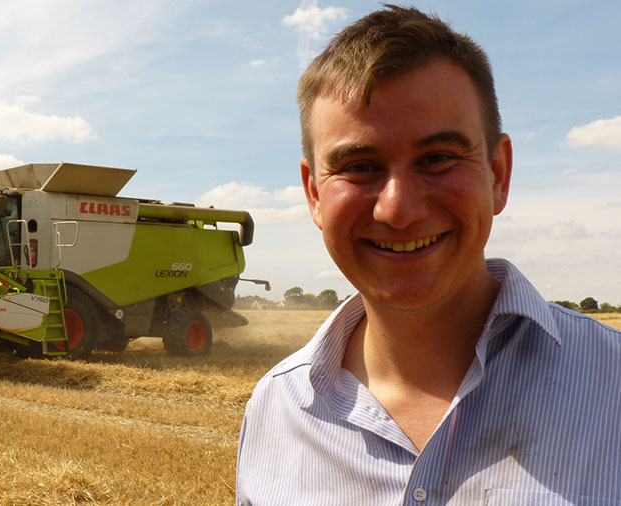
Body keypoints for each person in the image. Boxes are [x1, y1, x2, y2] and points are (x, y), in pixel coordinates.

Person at [236, 5, 621, 505]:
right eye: (359, 166)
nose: (398, 210)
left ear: (497, 174)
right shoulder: (276, 410)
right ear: (313, 193)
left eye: (437, 158)